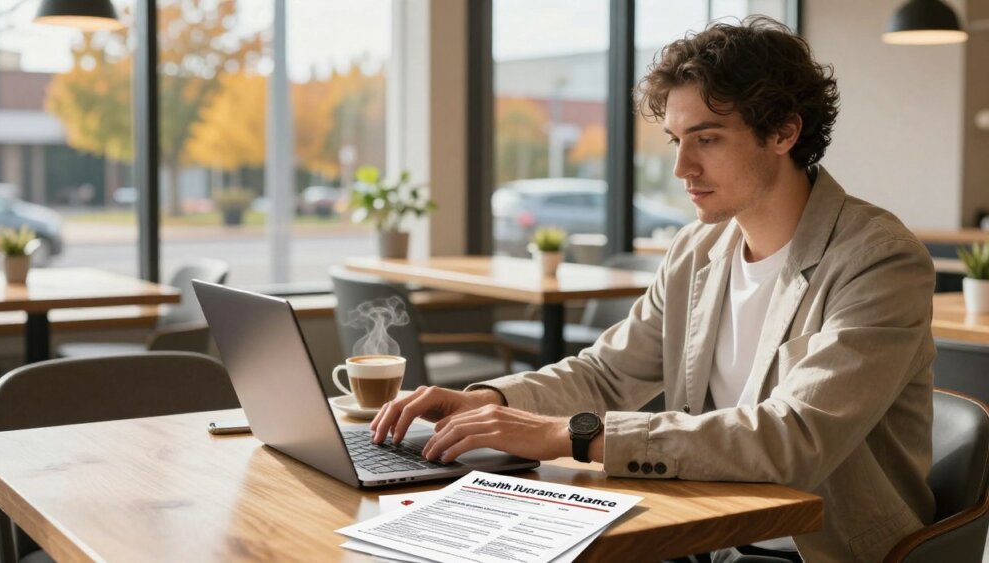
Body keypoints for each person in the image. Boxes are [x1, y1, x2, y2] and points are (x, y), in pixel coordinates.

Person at [371, 16, 935, 562]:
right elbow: (607, 374)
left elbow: (794, 438)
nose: (681, 167)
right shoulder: (697, 249)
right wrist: (489, 401)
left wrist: (565, 435)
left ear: (785, 131)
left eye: (707, 139)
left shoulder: (878, 258)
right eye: (674, 140)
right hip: (702, 530)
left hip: (814, 548)